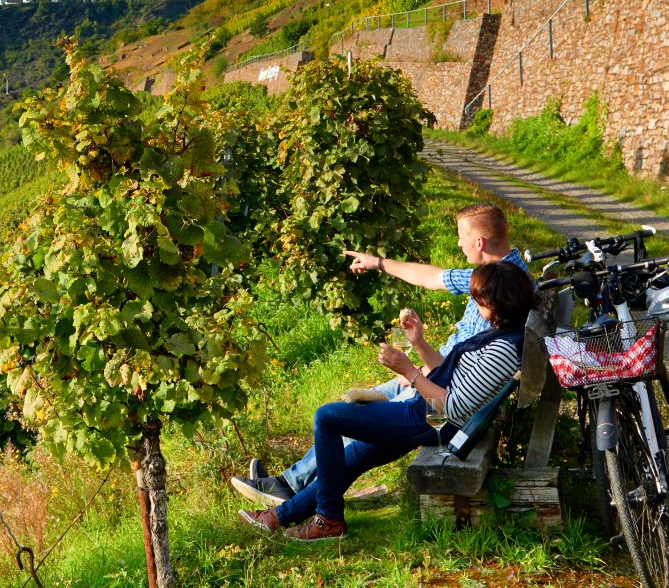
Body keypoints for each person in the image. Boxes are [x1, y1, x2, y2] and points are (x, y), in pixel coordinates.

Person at [230, 204, 529, 506]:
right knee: (356, 407)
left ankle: (303, 500)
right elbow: (433, 278)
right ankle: (292, 487)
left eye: (461, 236)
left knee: (345, 420)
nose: (458, 243)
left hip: (443, 397)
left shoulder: (499, 285)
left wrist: (416, 373)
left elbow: (463, 389)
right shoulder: (496, 277)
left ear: (479, 242)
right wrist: (421, 354)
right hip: (440, 379)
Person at [236, 260, 537, 542]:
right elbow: (450, 373)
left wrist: (408, 371)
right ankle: (277, 518)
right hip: (430, 414)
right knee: (354, 457)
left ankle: (327, 518)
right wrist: (418, 342)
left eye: (479, 300)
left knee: (327, 417)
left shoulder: (504, 350)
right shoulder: (501, 333)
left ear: (498, 304)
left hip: (433, 422)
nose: (475, 303)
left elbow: (454, 407)